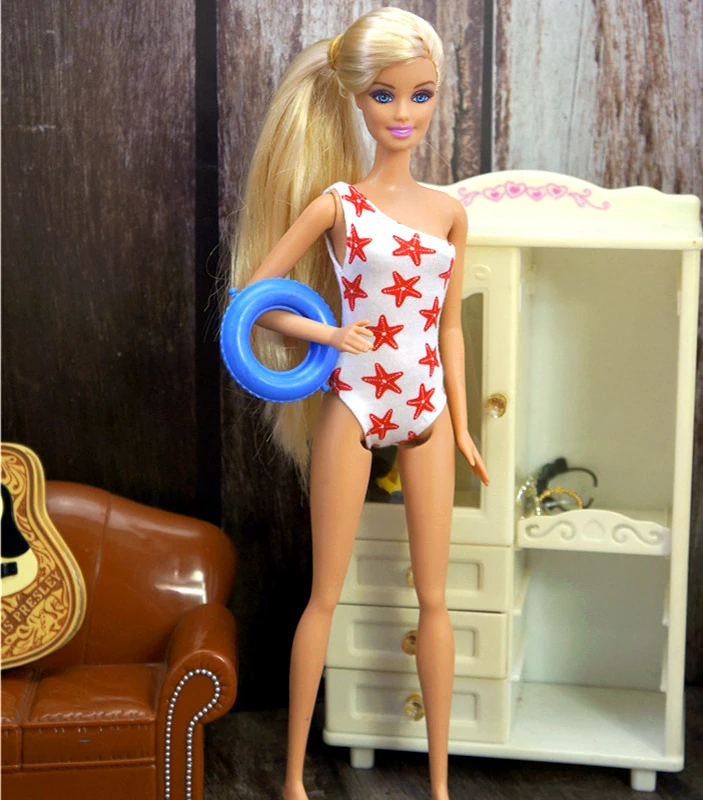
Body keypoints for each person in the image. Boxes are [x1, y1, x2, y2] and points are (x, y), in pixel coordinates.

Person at [229, 8, 489, 800]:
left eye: (421, 95)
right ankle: (293, 781)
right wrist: (328, 333)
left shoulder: (449, 211)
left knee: (435, 600)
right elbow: (252, 302)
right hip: (356, 398)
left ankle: (440, 785)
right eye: (385, 95)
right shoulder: (340, 205)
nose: (403, 114)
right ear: (355, 98)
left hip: (426, 407)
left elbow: (449, 327)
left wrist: (464, 424)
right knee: (325, 595)